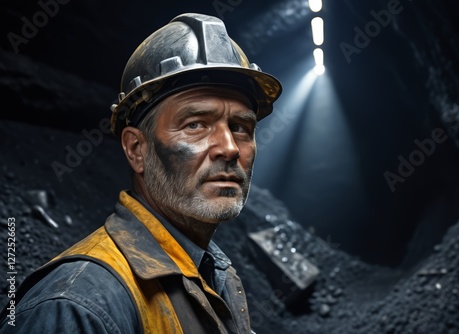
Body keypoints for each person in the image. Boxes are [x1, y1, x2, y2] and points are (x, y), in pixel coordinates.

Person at [0, 12, 282, 333]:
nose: (230, 148)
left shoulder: (215, 274)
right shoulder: (74, 308)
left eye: (241, 127)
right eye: (196, 125)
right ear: (137, 149)